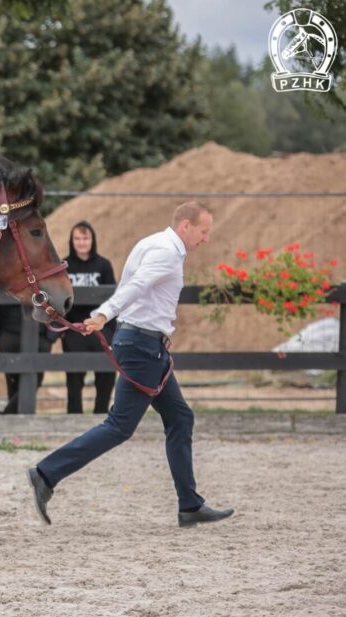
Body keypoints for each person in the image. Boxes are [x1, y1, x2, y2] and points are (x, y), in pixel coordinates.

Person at [27, 202, 235, 528]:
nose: (206, 239)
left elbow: (136, 288)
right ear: (185, 226)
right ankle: (46, 473)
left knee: (180, 417)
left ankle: (190, 506)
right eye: (204, 231)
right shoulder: (166, 252)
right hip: (142, 347)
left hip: (146, 344)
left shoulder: (151, 242)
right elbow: (135, 286)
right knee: (119, 426)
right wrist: (103, 315)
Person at [62, 221, 116, 414]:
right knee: (74, 381)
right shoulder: (63, 267)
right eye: (77, 238)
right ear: (72, 241)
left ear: (92, 240)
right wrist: (65, 330)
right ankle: (74, 418)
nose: (81, 242)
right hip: (75, 331)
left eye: (85, 238)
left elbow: (114, 300)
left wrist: (111, 331)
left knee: (105, 378)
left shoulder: (104, 266)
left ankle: (101, 416)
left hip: (101, 330)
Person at [0, 302, 57, 415]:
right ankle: (15, 422)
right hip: (8, 335)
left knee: (36, 380)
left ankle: (8, 414)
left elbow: (56, 301)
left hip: (40, 337)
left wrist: (50, 338)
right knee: (12, 382)